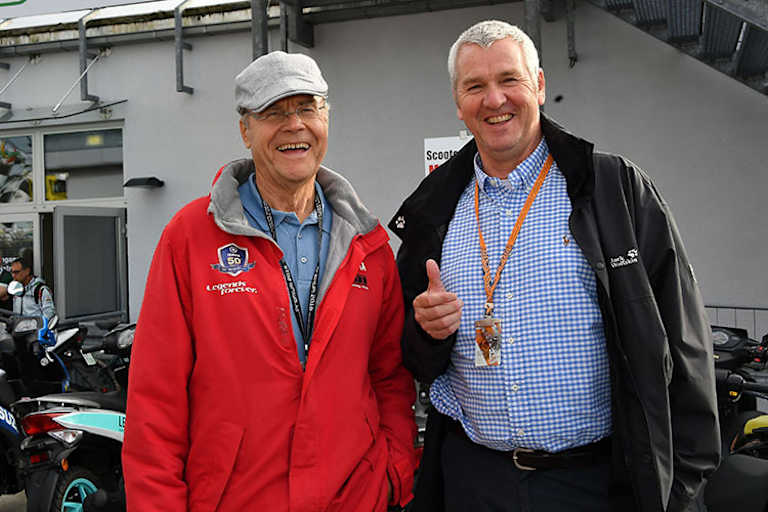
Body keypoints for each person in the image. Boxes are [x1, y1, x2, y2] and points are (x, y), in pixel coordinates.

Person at [389, 20, 720, 512]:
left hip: (594, 485)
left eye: (509, 80)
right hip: (472, 480)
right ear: (458, 103)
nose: (494, 99)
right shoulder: (432, 213)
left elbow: (683, 340)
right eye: (474, 86)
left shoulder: (612, 188)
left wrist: (680, 484)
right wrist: (428, 333)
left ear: (539, 86)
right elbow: (413, 360)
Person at [123, 51, 417, 512]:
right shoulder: (190, 238)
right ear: (245, 130)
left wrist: (394, 475)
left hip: (355, 497)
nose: (294, 124)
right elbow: (155, 399)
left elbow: (390, 379)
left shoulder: (369, 244)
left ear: (326, 119)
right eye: (273, 112)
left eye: (307, 107)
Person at [9, 251, 54, 320]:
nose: (13, 275)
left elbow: (49, 316)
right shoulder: (16, 288)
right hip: (18, 329)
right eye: (12, 272)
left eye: (16, 272)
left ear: (27, 271)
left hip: (35, 330)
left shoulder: (41, 290)